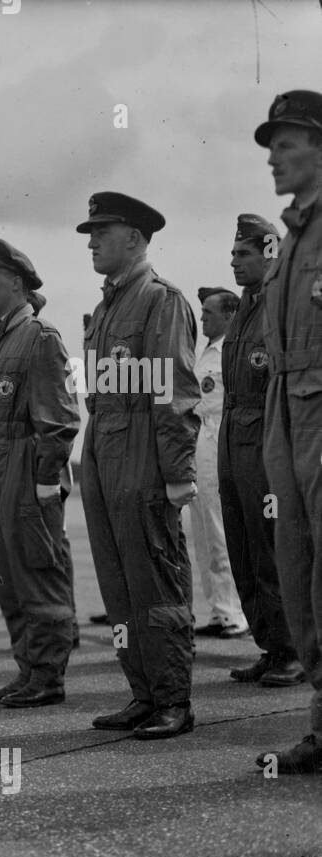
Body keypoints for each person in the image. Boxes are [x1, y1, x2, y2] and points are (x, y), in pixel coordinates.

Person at [77, 192, 199, 740]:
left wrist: (176, 472)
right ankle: (143, 693)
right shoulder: (106, 307)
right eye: (90, 233)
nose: (92, 242)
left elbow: (173, 391)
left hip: (144, 458)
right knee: (119, 584)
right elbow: (100, 394)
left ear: (134, 237)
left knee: (156, 581)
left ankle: (173, 698)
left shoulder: (159, 301)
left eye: (101, 232)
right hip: (103, 455)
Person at [0, 241, 79, 708]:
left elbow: (60, 417)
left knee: (38, 567)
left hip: (27, 460)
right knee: (8, 573)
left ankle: (49, 675)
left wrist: (46, 479)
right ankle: (27, 668)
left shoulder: (40, 336)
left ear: (17, 282)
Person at [254, 90, 322, 773]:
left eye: (285, 144)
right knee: (298, 574)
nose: (273, 159)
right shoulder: (293, 237)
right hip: (287, 414)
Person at [219, 214, 303, 688]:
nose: (234, 262)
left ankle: (293, 649)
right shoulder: (245, 307)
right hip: (234, 436)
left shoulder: (278, 303)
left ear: (269, 252)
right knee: (243, 547)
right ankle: (270, 645)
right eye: (232, 254)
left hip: (265, 438)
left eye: (243, 254)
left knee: (273, 549)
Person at [185, 287, 248, 639]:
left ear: (229, 315)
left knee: (219, 531)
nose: (202, 317)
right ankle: (219, 609)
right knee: (204, 533)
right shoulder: (205, 352)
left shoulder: (230, 350)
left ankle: (235, 614)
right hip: (198, 444)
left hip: (217, 443)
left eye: (209, 312)